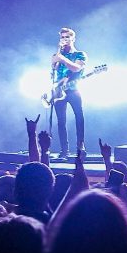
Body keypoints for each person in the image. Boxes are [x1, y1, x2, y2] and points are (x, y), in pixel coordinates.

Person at [49, 27, 86, 157]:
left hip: (73, 90)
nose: (64, 40)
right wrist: (57, 57)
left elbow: (76, 68)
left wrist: (62, 59)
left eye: (67, 37)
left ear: (73, 39)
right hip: (59, 91)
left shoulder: (80, 54)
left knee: (79, 118)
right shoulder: (57, 55)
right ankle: (64, 150)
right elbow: (53, 70)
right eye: (62, 37)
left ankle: (80, 147)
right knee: (61, 121)